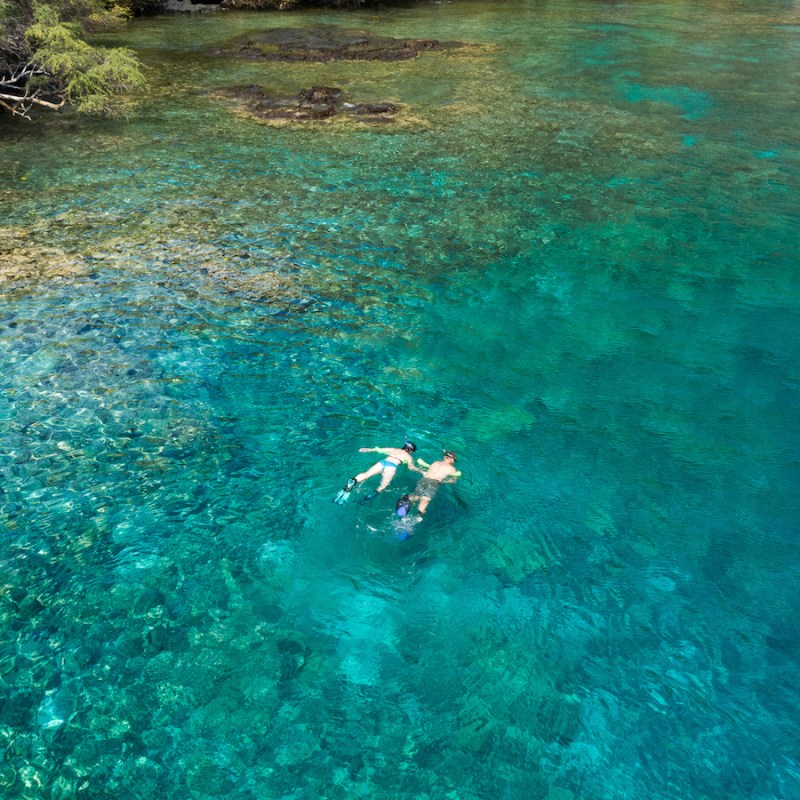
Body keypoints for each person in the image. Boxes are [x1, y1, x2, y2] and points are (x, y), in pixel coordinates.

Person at [334, 441, 419, 504]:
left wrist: (367, 449)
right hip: (391, 467)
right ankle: (366, 499)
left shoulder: (394, 449)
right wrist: (421, 471)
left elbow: (378, 449)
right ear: (411, 451)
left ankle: (354, 481)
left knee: (366, 474)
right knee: (382, 486)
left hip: (382, 462)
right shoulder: (409, 457)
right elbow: (411, 467)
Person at [396, 450, 460, 519]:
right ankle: (418, 517)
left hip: (423, 480)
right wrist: (444, 482)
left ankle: (407, 498)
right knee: (425, 499)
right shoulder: (452, 469)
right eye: (454, 460)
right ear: (452, 459)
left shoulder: (435, 463)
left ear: (444, 457)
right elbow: (453, 481)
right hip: (434, 483)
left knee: (418, 494)